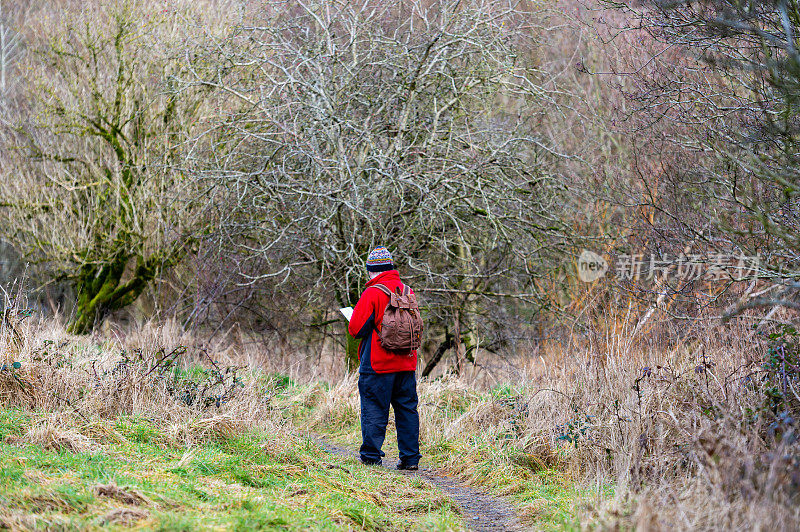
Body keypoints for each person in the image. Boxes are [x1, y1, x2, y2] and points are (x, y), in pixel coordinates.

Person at [348, 246, 421, 470]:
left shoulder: (372, 292)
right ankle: (409, 459)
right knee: (407, 410)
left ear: (372, 270)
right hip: (406, 363)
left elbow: (355, 329)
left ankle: (371, 456)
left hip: (378, 364)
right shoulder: (408, 291)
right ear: (390, 268)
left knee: (374, 409)